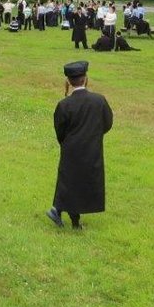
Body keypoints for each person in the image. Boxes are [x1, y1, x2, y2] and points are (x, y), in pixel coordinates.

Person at [47, 60, 113, 230]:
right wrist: (93, 136)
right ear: (86, 79)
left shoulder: (64, 105)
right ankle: (69, 219)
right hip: (92, 149)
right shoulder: (99, 101)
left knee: (69, 181)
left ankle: (59, 211)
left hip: (71, 149)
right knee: (82, 183)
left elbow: (59, 129)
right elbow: (107, 123)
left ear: (68, 81)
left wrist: (67, 142)